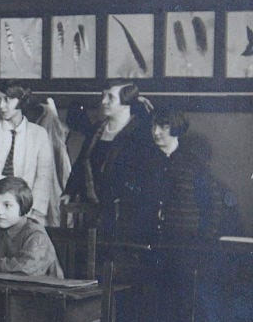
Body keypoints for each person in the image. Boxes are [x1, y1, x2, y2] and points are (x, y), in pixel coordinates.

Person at [62, 80, 151, 238]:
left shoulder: (139, 133)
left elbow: (142, 175)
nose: (104, 101)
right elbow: (81, 163)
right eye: (103, 96)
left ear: (126, 102)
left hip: (124, 212)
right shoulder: (97, 129)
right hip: (91, 206)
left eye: (110, 98)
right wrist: (69, 191)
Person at [0, 81, 54, 224]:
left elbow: (44, 176)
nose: (1, 106)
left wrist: (34, 211)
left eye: (7, 100)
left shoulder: (38, 134)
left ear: (21, 100)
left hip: (27, 210)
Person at [141, 107, 220, 241]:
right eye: (153, 126)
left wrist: (203, 237)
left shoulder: (194, 164)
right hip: (149, 240)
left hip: (185, 241)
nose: (156, 132)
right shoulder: (144, 163)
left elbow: (212, 204)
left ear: (176, 127)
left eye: (163, 127)